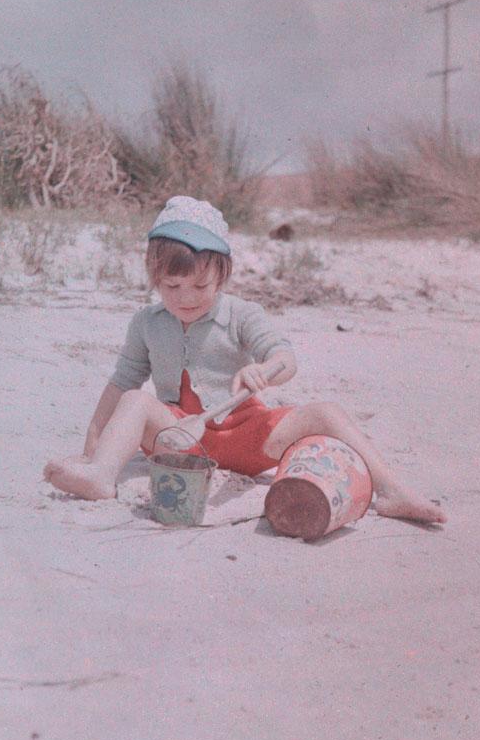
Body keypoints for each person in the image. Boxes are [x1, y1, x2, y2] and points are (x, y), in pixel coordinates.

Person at [43, 196, 446, 524]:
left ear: (223, 275)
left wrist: (265, 370)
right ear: (154, 276)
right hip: (182, 439)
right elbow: (121, 384)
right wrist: (91, 448)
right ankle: (100, 474)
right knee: (134, 400)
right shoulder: (146, 323)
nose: (185, 297)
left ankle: (392, 489)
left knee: (325, 411)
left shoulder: (241, 314)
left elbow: (284, 357)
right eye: (172, 286)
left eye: (200, 285)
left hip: (249, 436)